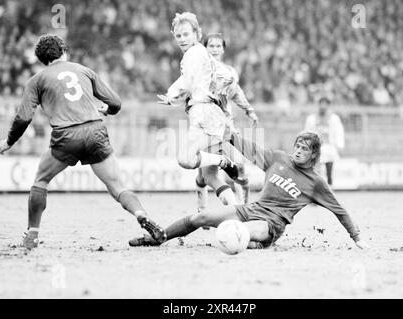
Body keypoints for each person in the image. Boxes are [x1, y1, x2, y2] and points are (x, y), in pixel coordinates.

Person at [0, 34, 166, 249]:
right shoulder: (84, 70)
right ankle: (142, 216)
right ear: (63, 51)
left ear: (41, 59)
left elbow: (23, 117)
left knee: (40, 181)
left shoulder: (36, 80)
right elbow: (115, 102)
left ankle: (32, 236)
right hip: (95, 131)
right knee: (117, 187)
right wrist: (108, 110)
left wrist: (10, 141)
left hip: (66, 136)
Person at [129, 130, 369, 250]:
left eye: (304, 148)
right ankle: (158, 238)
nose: (298, 150)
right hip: (251, 209)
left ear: (313, 154)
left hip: (272, 222)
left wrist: (356, 238)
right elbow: (251, 148)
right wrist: (231, 136)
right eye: (297, 145)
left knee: (238, 232)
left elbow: (340, 210)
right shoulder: (278, 158)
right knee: (201, 217)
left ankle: (260, 242)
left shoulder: (316, 182)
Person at [157, 12, 240, 206]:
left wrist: (171, 96)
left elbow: (186, 82)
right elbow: (226, 78)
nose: (182, 39)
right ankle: (239, 216)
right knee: (211, 178)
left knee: (185, 159)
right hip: (214, 116)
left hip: (203, 115)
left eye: (186, 34)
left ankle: (223, 161)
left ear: (197, 34)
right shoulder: (204, 55)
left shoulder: (193, 54)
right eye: (178, 36)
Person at [194, 33, 258, 211]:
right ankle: (202, 209)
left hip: (226, 128)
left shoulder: (230, 72)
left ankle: (245, 211)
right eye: (211, 46)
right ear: (205, 48)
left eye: (217, 46)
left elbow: (236, 92)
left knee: (240, 168)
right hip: (206, 127)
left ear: (223, 49)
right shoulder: (200, 71)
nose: (214, 49)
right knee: (204, 174)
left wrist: (249, 110)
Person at [304, 97, 344, 186]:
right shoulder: (312, 118)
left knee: (329, 171)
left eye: (325, 104)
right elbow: (307, 131)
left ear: (328, 106)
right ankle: (317, 189)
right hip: (317, 147)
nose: (323, 106)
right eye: (321, 104)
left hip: (329, 147)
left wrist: (339, 145)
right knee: (317, 170)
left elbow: (339, 132)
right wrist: (308, 145)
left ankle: (330, 188)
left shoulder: (334, 118)